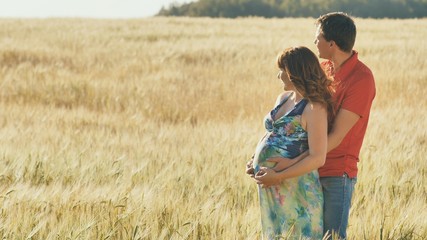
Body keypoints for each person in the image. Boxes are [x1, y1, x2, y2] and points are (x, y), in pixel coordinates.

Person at [249, 12, 376, 239]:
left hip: (336, 172)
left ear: (331, 43)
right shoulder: (322, 68)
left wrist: (287, 166)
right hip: (304, 172)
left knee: (331, 236)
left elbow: (335, 137)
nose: (314, 42)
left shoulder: (361, 79)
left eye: (317, 37)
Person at [248, 46, 335, 239]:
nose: (279, 76)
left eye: (282, 71)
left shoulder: (314, 108)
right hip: (273, 187)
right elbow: (273, 133)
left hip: (296, 189)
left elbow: (318, 157)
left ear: (294, 72)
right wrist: (256, 159)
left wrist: (279, 175)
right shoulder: (283, 98)